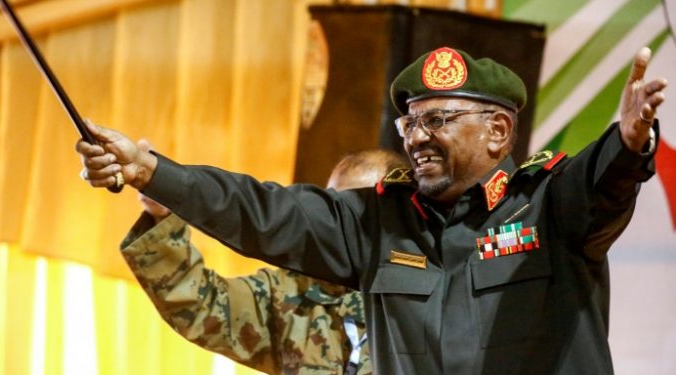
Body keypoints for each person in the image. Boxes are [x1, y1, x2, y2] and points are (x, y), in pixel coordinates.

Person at [77, 46, 667, 374]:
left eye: (436, 119)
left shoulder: (549, 207)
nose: (415, 137)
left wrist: (630, 140)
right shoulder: (374, 223)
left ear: (498, 130)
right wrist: (154, 172)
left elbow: (604, 181)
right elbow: (261, 210)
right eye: (410, 121)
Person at [121, 149, 408, 375]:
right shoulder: (294, 294)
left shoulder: (423, 297)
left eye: (354, 211)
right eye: (332, 209)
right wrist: (161, 214)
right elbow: (200, 304)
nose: (338, 222)